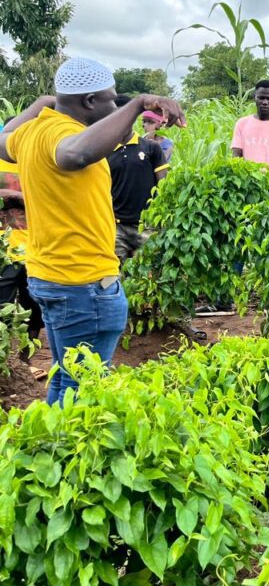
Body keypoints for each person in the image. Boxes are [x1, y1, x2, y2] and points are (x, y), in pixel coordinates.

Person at [0, 57, 184, 405]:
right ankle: (67, 454)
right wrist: (136, 104)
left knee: (64, 377)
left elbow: (2, 138)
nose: (114, 106)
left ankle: (53, 450)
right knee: (84, 390)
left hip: (51, 278)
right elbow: (75, 153)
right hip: (82, 285)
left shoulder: (32, 132)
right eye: (110, 99)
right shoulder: (64, 136)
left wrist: (42, 105)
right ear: (88, 102)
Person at [107, 95, 169, 263]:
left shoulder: (151, 148)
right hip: (115, 227)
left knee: (150, 273)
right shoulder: (104, 152)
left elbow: (164, 186)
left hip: (147, 225)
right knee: (114, 276)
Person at [0, 154, 44, 376]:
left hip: (35, 248)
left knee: (34, 308)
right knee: (2, 308)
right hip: (3, 251)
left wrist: (17, 196)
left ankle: (24, 361)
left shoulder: (35, 161)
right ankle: (4, 362)